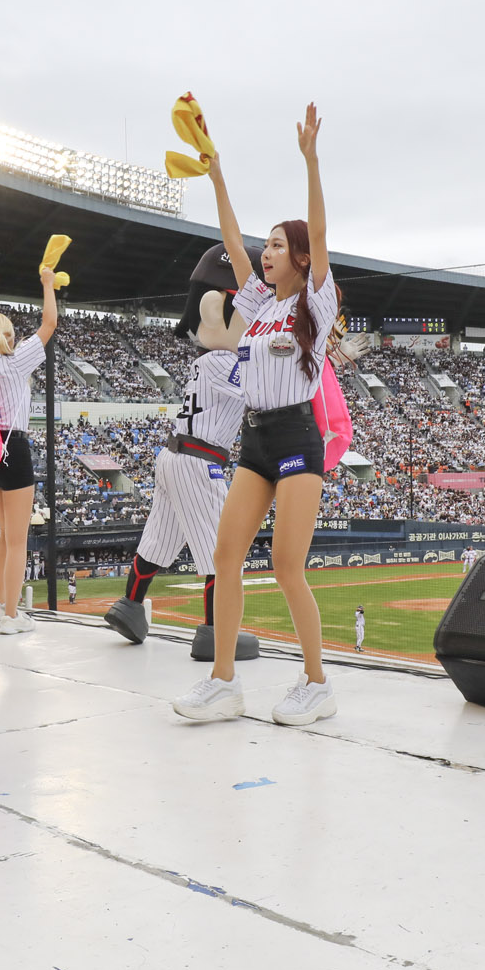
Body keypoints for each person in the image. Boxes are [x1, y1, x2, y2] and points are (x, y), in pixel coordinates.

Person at [174, 104, 341, 727]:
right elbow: (228, 240)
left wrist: (311, 162)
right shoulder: (257, 304)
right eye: (264, 245)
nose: (263, 253)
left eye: (276, 245)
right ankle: (224, 684)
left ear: (299, 257)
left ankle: (317, 683)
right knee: (225, 556)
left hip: (299, 435)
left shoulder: (314, 306)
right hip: (256, 441)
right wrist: (216, 177)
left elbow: (321, 237)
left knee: (287, 566)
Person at [103, 244, 249, 659]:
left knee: (158, 540)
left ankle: (130, 605)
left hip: (173, 456)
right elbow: (265, 386)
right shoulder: (225, 362)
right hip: (199, 461)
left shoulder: (204, 360)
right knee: (223, 550)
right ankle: (214, 634)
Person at [0, 262, 58, 635]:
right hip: (12, 446)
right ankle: (12, 617)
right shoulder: (16, 361)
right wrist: (47, 284)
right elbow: (48, 324)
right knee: (19, 539)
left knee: (4, 533)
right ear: (6, 336)